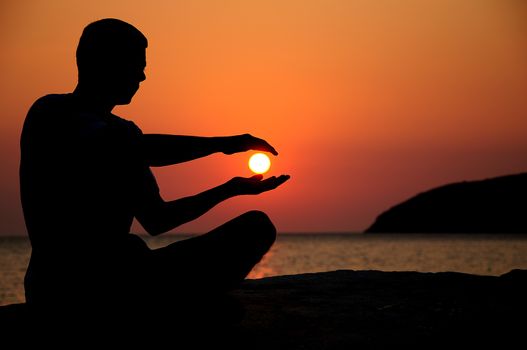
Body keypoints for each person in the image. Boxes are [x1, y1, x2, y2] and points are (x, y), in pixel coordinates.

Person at [19, 18, 290, 330]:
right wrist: (225, 144)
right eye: (136, 64)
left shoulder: (125, 132)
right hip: (66, 289)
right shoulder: (52, 113)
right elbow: (130, 149)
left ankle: (172, 307)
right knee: (218, 312)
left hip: (132, 273)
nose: (143, 75)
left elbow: (158, 218)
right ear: (104, 62)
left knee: (256, 226)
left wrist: (230, 189)